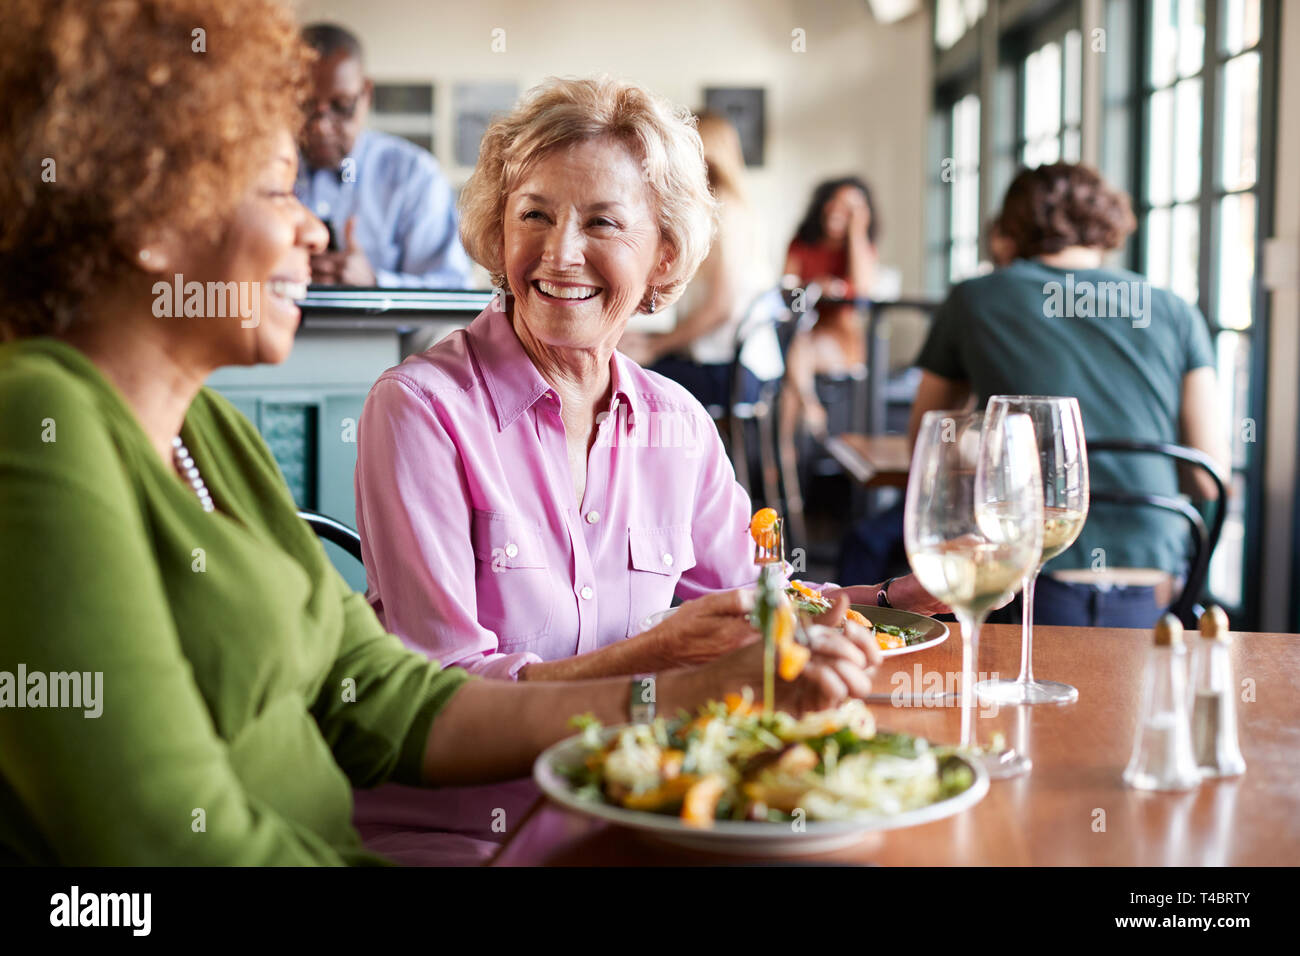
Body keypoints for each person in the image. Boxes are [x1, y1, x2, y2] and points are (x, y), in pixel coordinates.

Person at [0, 0, 878, 866]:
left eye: (603, 221)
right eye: (276, 187)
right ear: (153, 220)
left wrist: (687, 686)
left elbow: (385, 699)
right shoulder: (38, 429)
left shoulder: (206, 430)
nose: (312, 225)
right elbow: (160, 841)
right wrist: (667, 679)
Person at [351, 76, 947, 863]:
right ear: (499, 232)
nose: (561, 253)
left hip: (639, 811)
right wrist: (654, 661)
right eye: (534, 214)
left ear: (663, 252)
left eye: (602, 222)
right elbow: (443, 699)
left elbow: (750, 609)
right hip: (466, 835)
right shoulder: (419, 410)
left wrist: (879, 601)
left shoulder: (677, 424)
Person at [910, 162, 1230, 628]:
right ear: (1106, 225)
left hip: (1023, 576)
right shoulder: (1174, 309)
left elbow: (927, 436)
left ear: (1012, 228)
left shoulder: (976, 298)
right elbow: (1209, 474)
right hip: (1151, 579)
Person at [618, 111, 782, 409]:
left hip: (731, 372)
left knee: (618, 374)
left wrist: (655, 345)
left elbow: (721, 308)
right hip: (733, 365)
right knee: (624, 353)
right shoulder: (733, 208)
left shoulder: (726, 212)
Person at [296, 22, 472, 288]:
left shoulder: (415, 176)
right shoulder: (253, 171)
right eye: (305, 106)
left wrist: (375, 284)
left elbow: (451, 289)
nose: (321, 125)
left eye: (341, 106)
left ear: (366, 94)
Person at [781, 176, 895, 438]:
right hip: (803, 335)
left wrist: (856, 233)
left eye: (849, 208)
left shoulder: (862, 250)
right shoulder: (802, 243)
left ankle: (783, 464)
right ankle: (805, 418)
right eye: (834, 202)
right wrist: (816, 286)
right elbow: (786, 290)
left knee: (794, 370)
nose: (837, 210)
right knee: (796, 360)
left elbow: (864, 289)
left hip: (842, 342)